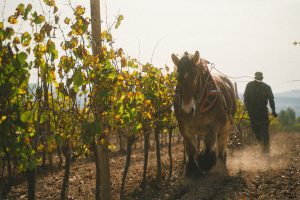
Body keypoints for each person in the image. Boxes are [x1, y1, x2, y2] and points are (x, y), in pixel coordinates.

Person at [243, 72, 277, 154]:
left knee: (265, 132)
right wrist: (247, 108)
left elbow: (271, 100)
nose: (258, 79)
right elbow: (245, 98)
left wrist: (273, 111)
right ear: (255, 77)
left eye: (260, 78)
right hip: (252, 114)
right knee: (256, 133)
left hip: (263, 113)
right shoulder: (249, 86)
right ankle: (262, 147)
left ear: (262, 78)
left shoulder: (267, 87)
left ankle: (266, 151)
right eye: (257, 78)